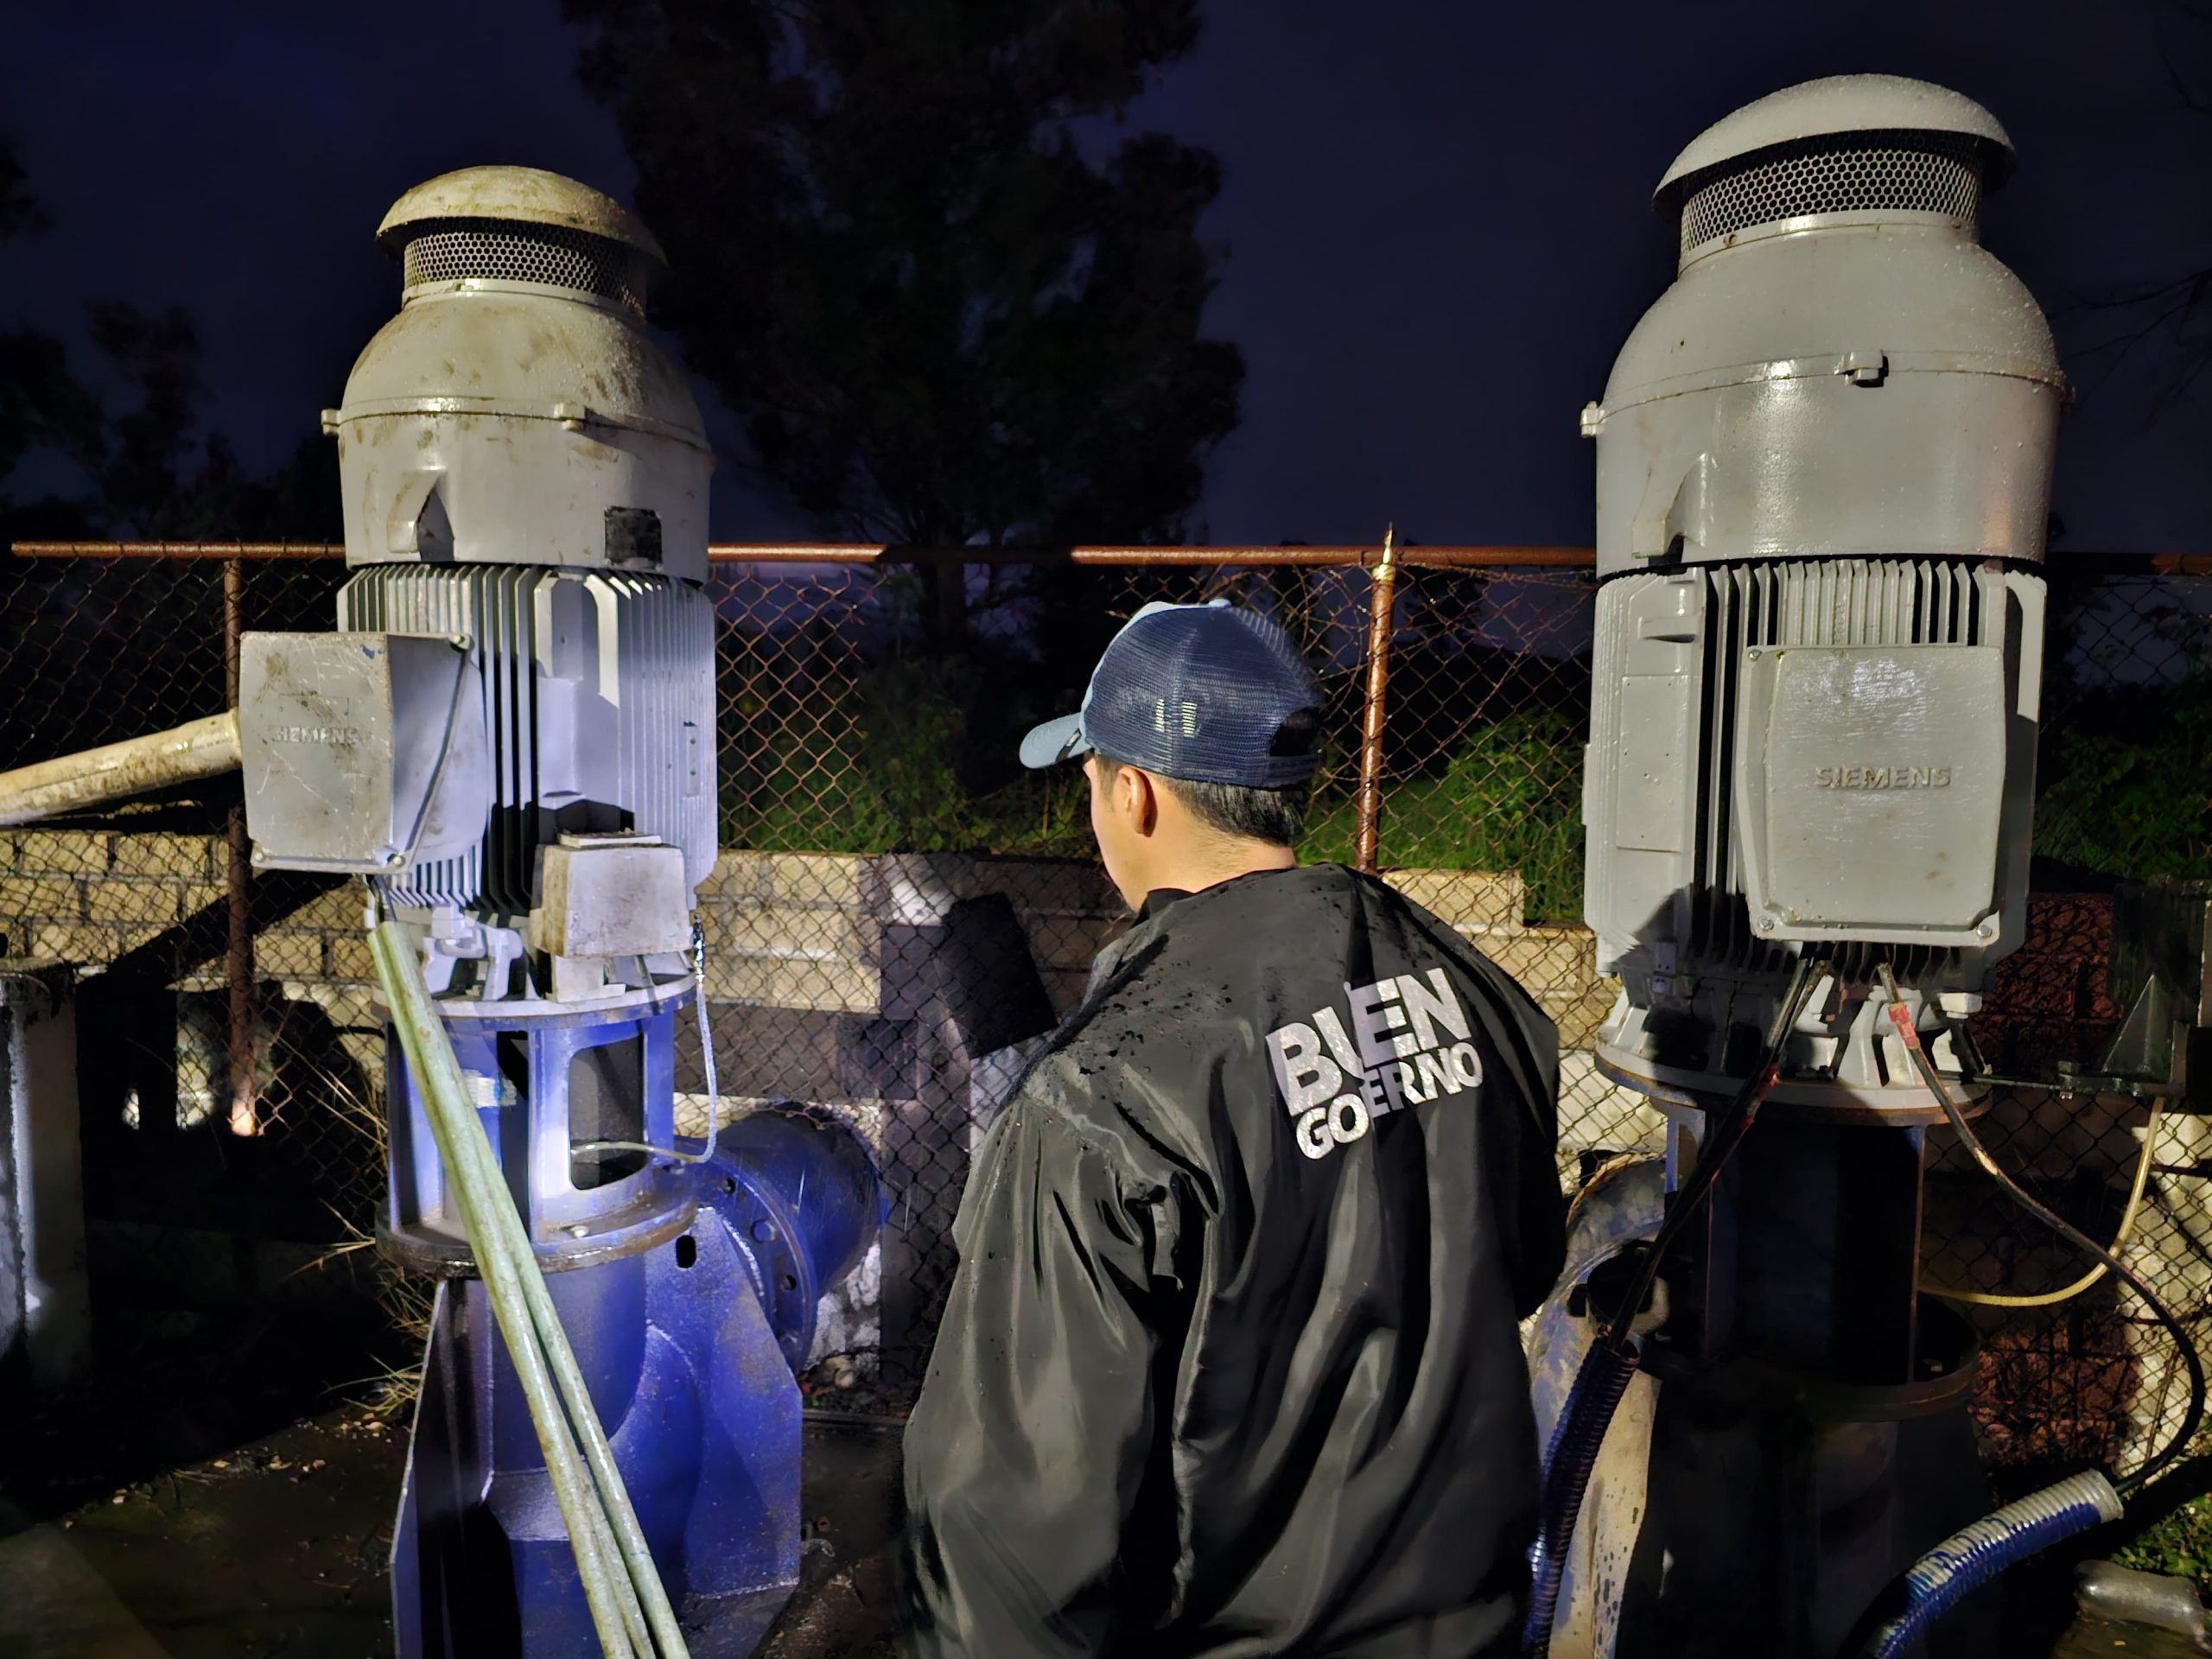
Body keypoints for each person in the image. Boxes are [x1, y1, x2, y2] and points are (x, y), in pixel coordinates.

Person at [900, 601, 1567, 1658]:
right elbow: (1518, 1260)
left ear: (1135, 792)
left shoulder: (1099, 1099)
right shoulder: (1466, 987)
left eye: (1088, 784)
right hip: (1467, 1621)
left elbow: (1013, 1543)